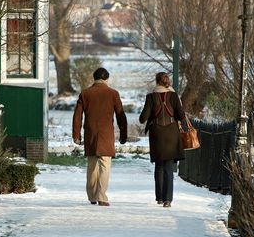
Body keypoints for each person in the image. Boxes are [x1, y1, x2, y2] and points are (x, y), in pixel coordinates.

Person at [72, 67, 127, 207]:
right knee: (105, 165)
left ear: (94, 78)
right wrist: (123, 133)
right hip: (106, 133)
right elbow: (121, 114)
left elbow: (77, 116)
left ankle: (92, 195)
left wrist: (76, 135)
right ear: (106, 79)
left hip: (91, 133)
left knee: (92, 165)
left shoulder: (85, 93)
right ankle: (102, 196)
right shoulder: (113, 93)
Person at [139, 72, 185, 208]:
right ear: (167, 82)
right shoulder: (174, 96)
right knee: (168, 167)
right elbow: (181, 116)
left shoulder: (151, 97)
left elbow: (143, 118)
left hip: (157, 133)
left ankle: (159, 197)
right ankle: (168, 200)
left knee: (159, 165)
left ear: (156, 81)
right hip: (171, 133)